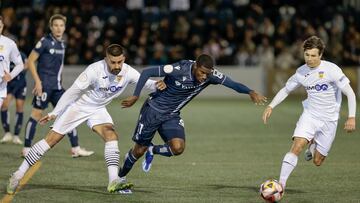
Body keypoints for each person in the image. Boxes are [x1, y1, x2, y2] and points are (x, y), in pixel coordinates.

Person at [6, 44, 166, 195]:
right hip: (79, 107)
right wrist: (55, 112)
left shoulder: (128, 71)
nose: (117, 66)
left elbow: (148, 84)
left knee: (111, 136)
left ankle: (113, 181)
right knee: (51, 141)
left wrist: (159, 84)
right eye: (113, 62)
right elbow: (72, 92)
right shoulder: (94, 70)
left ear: (124, 59)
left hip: (98, 109)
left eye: (120, 61)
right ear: (106, 59)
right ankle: (17, 175)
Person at [117, 54, 267, 186]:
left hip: (172, 115)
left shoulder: (211, 76)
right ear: (195, 66)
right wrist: (136, 95)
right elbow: (147, 72)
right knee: (138, 151)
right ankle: (120, 178)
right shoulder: (178, 68)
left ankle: (152, 149)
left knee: (178, 148)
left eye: (207, 74)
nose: (204, 77)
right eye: (201, 72)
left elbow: (233, 84)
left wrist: (250, 92)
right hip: (152, 111)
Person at [262, 36, 356, 191]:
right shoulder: (301, 72)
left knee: (318, 161)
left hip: (330, 120)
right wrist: (271, 106)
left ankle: (312, 146)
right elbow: (286, 89)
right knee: (297, 146)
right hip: (310, 115)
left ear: (320, 55)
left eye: (313, 55)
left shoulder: (332, 70)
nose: (310, 59)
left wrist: (351, 117)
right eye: (307, 55)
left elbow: (350, 93)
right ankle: (281, 185)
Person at [22, 14, 93, 157]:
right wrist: (37, 81)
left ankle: (75, 148)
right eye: (56, 25)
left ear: (65, 27)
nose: (59, 28)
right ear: (51, 27)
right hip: (44, 86)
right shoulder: (45, 42)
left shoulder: (62, 43)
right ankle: (26, 148)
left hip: (57, 87)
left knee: (69, 113)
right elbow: (29, 61)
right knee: (36, 114)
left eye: (61, 25)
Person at [0, 15, 25, 143]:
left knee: (18, 106)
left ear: (2, 26)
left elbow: (20, 64)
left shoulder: (9, 44)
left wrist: (11, 75)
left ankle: (14, 134)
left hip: (2, 87)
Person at [0, 50, 28, 145]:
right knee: (4, 105)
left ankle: (16, 135)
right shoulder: (4, 55)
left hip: (20, 84)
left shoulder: (22, 55)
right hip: (9, 84)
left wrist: (18, 70)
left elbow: (27, 65)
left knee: (19, 107)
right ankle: (7, 133)